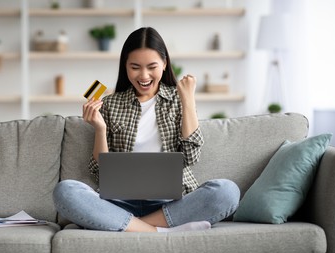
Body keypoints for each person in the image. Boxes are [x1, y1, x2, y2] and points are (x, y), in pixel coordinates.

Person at [53, 27, 240, 233]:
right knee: (66, 191)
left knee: (227, 191)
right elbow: (101, 172)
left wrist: (187, 100)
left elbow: (191, 156)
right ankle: (160, 231)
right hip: (118, 203)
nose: (144, 76)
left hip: (170, 204)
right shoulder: (111, 103)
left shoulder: (179, 100)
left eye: (152, 67)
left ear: (165, 64)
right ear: (125, 66)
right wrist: (99, 128)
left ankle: (128, 225)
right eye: (135, 67)